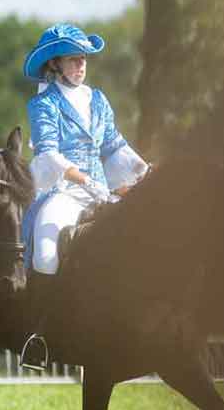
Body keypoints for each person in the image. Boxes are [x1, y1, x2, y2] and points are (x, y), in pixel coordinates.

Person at [19, 22, 150, 369]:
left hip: (100, 190)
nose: (81, 65)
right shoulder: (43, 103)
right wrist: (83, 181)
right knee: (46, 252)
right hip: (62, 189)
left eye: (84, 60)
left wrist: (145, 172)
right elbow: (47, 153)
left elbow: (114, 146)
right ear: (55, 64)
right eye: (74, 60)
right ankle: (39, 334)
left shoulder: (98, 99)